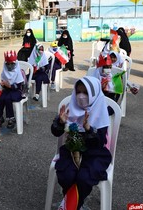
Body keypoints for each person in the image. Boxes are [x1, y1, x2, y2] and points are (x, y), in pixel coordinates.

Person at [51, 76, 112, 209]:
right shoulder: (69, 108)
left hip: (94, 154)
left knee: (84, 177)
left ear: (94, 93)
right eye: (78, 92)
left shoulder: (100, 110)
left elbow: (100, 141)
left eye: (85, 92)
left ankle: (71, 205)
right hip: (71, 151)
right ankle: (71, 203)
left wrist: (89, 129)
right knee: (67, 175)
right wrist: (60, 122)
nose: (81, 96)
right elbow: (56, 132)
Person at [0, 50, 24, 129]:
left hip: (17, 91)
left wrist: (9, 86)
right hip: (8, 90)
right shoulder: (4, 71)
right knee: (1, 99)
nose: (10, 65)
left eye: (12, 64)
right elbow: (3, 81)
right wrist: (3, 84)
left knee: (8, 99)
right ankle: (0, 116)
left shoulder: (18, 71)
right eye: (8, 64)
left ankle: (11, 118)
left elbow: (19, 86)